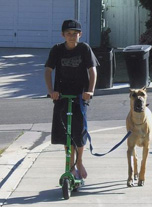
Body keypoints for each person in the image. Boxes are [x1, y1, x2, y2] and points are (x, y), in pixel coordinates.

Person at [45, 19, 99, 179]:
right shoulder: (57, 50)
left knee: (78, 131)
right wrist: (51, 91)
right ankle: (70, 165)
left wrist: (90, 91)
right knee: (65, 132)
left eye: (75, 33)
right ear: (63, 35)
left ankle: (79, 162)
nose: (71, 36)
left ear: (80, 34)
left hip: (80, 95)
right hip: (61, 95)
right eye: (68, 33)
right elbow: (48, 70)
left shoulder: (84, 48)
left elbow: (93, 71)